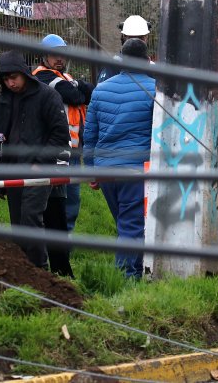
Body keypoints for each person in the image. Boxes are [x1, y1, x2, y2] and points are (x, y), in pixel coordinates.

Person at [0, 50, 74, 276]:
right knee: (18, 225)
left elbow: (60, 135)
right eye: (5, 79)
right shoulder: (3, 100)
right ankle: (25, 273)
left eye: (14, 77)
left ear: (24, 73)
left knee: (30, 219)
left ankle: (38, 272)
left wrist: (40, 162)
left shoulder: (48, 96)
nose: (10, 83)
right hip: (12, 170)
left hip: (40, 169)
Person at [83, 38, 155, 279]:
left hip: (105, 170)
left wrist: (91, 170)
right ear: (147, 60)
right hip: (135, 170)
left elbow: (89, 135)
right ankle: (124, 279)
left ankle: (135, 273)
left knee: (125, 225)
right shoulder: (155, 90)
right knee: (131, 227)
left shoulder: (100, 90)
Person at [33, 34, 95, 232]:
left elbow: (90, 92)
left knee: (71, 202)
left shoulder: (65, 78)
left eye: (62, 55)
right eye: (54, 55)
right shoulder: (41, 76)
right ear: (44, 56)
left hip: (73, 151)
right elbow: (75, 96)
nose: (59, 59)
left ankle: (63, 242)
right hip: (55, 150)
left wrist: (77, 87)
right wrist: (78, 87)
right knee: (57, 202)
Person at [97, 15, 151, 84]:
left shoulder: (151, 67)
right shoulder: (112, 66)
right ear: (123, 37)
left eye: (140, 38)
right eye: (131, 38)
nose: (135, 42)